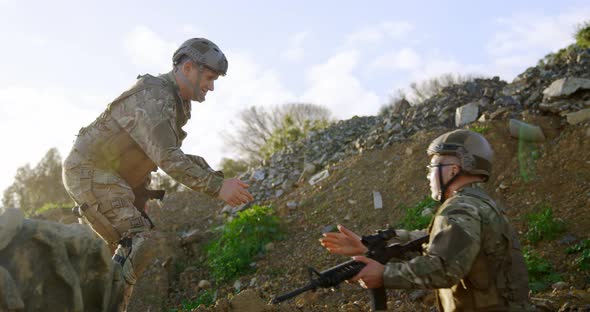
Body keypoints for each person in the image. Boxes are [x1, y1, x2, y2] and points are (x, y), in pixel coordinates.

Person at [62, 38, 254, 311]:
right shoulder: (154, 95)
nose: (211, 87)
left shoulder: (176, 102)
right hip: (89, 171)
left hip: (115, 178)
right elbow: (168, 159)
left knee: (125, 251)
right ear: (188, 68)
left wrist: (217, 179)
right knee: (137, 239)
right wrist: (217, 187)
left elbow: (164, 153)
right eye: (209, 78)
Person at [320, 129, 531, 311]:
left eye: (432, 168)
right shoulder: (479, 204)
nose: (428, 176)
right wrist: (368, 246)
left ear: (453, 170)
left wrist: (385, 274)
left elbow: (443, 268)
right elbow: (436, 241)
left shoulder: (461, 209)